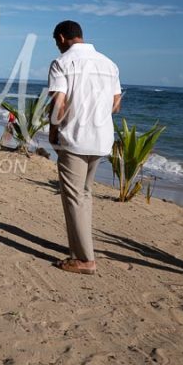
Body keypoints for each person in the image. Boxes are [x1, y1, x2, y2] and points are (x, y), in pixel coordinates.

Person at [48, 21, 122, 275]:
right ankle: (82, 248)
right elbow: (116, 103)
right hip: (101, 139)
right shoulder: (109, 64)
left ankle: (84, 259)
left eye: (56, 42)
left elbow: (59, 102)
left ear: (61, 37)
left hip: (75, 138)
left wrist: (53, 131)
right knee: (85, 194)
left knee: (74, 198)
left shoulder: (63, 62)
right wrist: (96, 114)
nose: (57, 46)